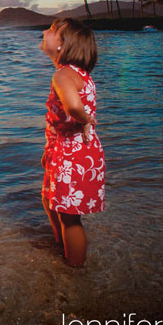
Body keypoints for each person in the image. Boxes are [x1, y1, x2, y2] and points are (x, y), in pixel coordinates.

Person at [39, 17, 104, 267]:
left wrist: (86, 120)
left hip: (73, 151)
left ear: (62, 46)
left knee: (69, 216)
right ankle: (62, 246)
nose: (45, 30)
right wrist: (50, 149)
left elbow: (73, 106)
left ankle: (74, 269)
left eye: (53, 30)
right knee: (48, 199)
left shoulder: (63, 75)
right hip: (66, 149)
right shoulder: (76, 73)